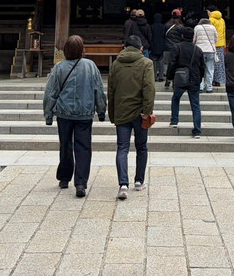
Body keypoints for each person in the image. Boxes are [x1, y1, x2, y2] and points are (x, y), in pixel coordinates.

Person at [43, 35, 106, 199]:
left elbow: (51, 92)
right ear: (82, 49)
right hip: (84, 113)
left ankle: (64, 178)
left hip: (64, 113)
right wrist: (101, 110)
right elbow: (98, 89)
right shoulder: (90, 66)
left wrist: (48, 114)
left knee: (65, 145)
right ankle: (81, 183)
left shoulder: (59, 67)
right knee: (83, 147)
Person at [107, 34, 155, 200]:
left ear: (124, 47)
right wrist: (147, 111)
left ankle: (123, 184)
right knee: (141, 147)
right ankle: (139, 181)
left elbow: (111, 90)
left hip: (121, 110)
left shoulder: (116, 64)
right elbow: (149, 88)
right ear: (141, 48)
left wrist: (112, 113)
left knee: (122, 147)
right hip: (140, 112)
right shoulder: (146, 63)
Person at [164, 25, 204, 138]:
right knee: (195, 105)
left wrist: (169, 76)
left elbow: (172, 63)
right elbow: (202, 67)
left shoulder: (177, 47)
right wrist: (200, 78)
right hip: (194, 77)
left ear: (182, 36)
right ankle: (197, 129)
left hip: (180, 77)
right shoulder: (198, 50)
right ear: (193, 37)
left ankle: (174, 120)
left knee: (176, 98)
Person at [193, 15, 218, 93]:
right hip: (210, 51)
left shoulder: (197, 28)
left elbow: (194, 39)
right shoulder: (213, 28)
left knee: (199, 69)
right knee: (210, 69)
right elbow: (216, 39)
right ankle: (209, 87)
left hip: (199, 50)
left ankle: (200, 87)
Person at [208, 9, 226, 87]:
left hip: (213, 44)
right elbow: (223, 32)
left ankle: (212, 80)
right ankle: (219, 80)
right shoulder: (222, 20)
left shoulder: (210, 20)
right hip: (221, 44)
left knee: (211, 63)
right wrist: (224, 43)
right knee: (220, 63)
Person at [150, 13, 167, 79]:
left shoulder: (152, 26)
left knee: (154, 62)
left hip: (154, 45)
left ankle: (154, 76)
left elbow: (150, 37)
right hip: (161, 45)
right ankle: (161, 76)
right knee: (161, 62)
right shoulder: (163, 27)